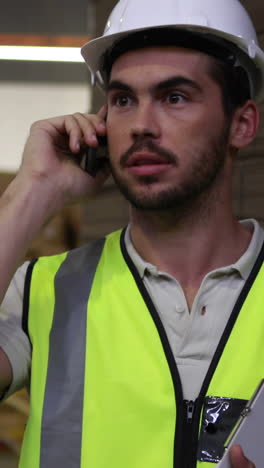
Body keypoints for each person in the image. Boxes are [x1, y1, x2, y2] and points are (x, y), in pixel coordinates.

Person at [0, 0, 263, 466]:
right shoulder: (44, 290)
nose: (141, 125)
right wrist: (31, 192)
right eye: (123, 100)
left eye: (174, 97)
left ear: (241, 124)